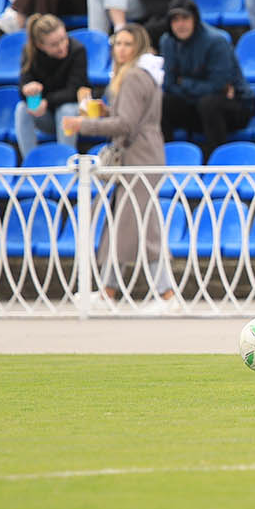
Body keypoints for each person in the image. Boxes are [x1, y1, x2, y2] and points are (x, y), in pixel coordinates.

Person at [68, 23, 173, 308]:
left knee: (141, 224)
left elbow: (126, 124)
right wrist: (105, 112)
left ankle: (166, 294)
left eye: (127, 44)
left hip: (139, 156)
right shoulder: (141, 75)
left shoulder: (134, 77)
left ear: (137, 47)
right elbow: (129, 117)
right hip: (141, 153)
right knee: (123, 224)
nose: (121, 49)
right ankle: (108, 292)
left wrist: (84, 124)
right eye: (118, 43)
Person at [159, 0, 252, 144]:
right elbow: (169, 84)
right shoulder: (167, 41)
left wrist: (183, 83)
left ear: (195, 19)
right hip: (195, 104)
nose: (180, 24)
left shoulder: (216, 41)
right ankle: (166, 158)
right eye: (175, 20)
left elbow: (218, 86)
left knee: (209, 104)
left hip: (235, 106)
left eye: (185, 18)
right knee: (161, 102)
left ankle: (215, 163)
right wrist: (188, 87)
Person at [14, 14, 89, 155]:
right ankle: (30, 163)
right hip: (46, 116)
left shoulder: (77, 50)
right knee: (22, 109)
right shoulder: (30, 53)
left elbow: (74, 91)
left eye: (63, 39)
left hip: (73, 113)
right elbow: (24, 84)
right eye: (54, 45)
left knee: (65, 110)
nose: (62, 47)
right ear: (40, 45)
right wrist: (28, 91)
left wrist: (47, 101)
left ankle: (67, 162)